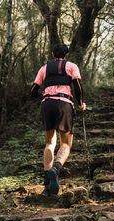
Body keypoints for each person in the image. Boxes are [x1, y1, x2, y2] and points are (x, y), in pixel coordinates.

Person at [30, 43, 86, 195]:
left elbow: (33, 90)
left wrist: (45, 97)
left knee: (49, 142)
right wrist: (80, 104)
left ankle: (47, 181)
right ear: (66, 55)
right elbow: (77, 85)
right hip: (64, 103)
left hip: (47, 104)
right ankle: (55, 169)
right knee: (66, 143)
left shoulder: (44, 68)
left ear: (53, 54)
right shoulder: (71, 66)